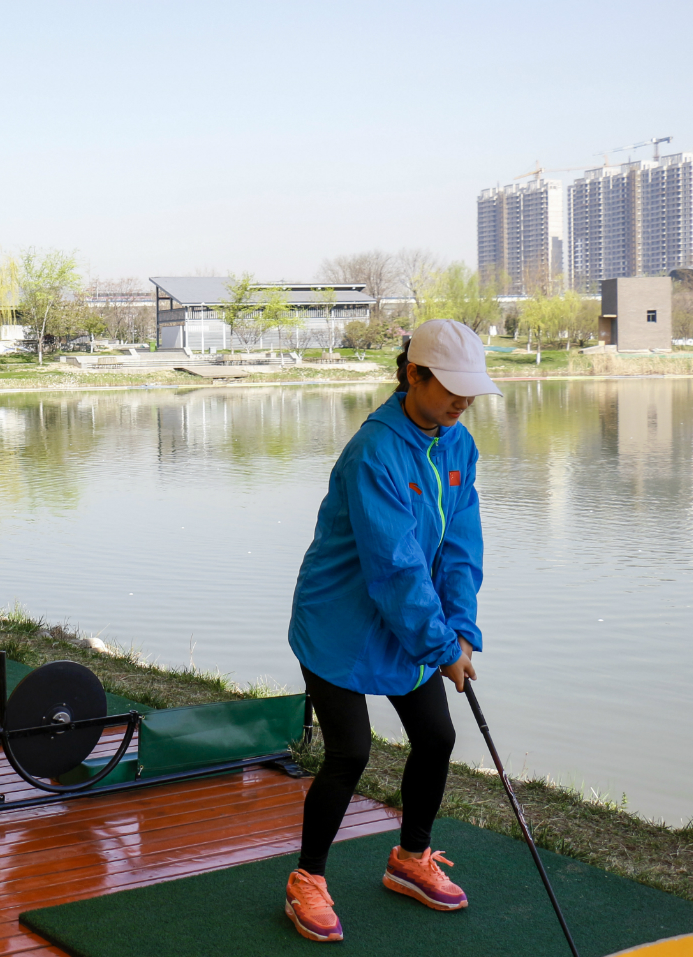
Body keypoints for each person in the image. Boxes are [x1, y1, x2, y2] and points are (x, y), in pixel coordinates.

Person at [282, 319, 500, 944]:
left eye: (470, 389)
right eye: (451, 387)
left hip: (410, 618)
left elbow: (460, 545)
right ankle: (307, 879)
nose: (462, 400)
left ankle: (409, 859)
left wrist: (459, 630)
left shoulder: (459, 445)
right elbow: (394, 565)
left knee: (435, 737)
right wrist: (438, 646)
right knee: (350, 752)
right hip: (341, 621)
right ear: (414, 374)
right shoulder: (375, 450)